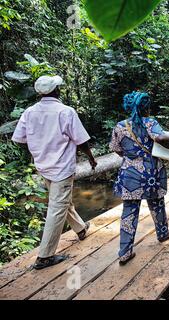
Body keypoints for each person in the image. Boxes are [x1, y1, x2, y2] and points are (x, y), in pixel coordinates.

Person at [12, 75, 96, 270]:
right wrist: (91, 157)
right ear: (56, 90)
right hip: (62, 168)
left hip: (43, 166)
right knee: (57, 206)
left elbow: (19, 139)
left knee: (60, 201)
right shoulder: (65, 112)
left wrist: (38, 149)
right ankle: (45, 256)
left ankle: (80, 229)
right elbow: (81, 140)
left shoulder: (29, 112)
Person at [110, 91, 169, 265]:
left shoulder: (120, 126)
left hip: (129, 174)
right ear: (145, 107)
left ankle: (125, 252)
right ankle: (162, 233)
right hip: (151, 172)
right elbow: (161, 138)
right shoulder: (150, 123)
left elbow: (117, 149)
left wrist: (132, 158)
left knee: (129, 211)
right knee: (157, 204)